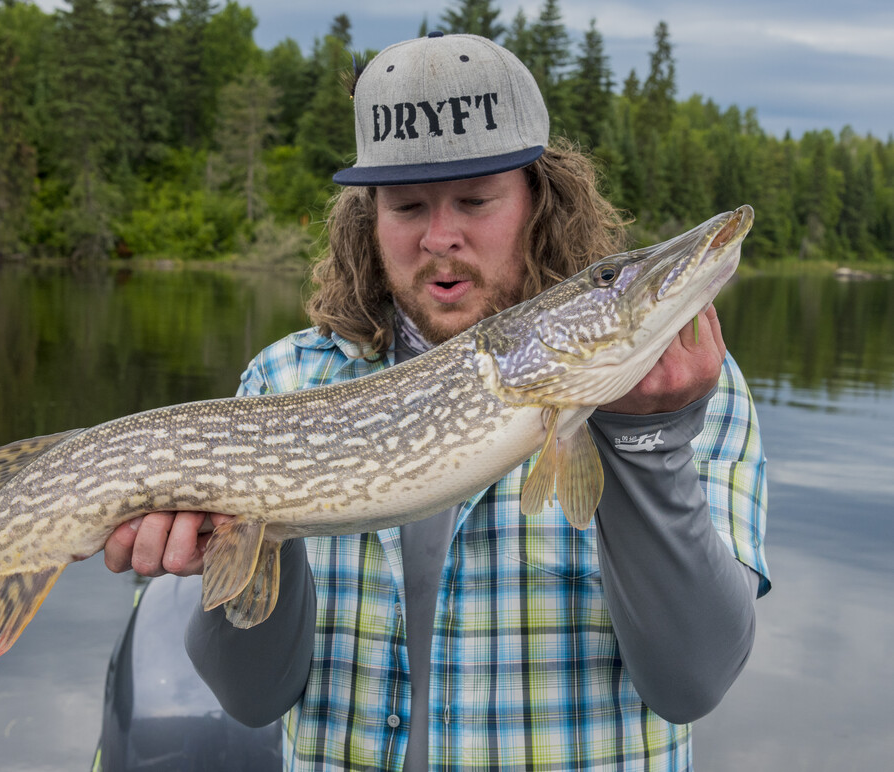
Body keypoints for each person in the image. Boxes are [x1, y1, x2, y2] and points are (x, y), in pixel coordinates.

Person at [104, 32, 769, 771]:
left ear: (540, 204)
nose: (440, 237)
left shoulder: (686, 382)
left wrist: (651, 440)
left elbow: (693, 683)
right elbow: (253, 701)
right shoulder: (286, 381)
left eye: (476, 200)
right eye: (408, 205)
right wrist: (251, 535)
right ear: (369, 218)